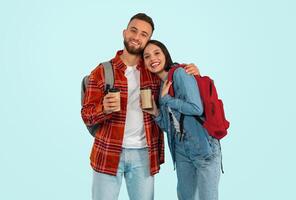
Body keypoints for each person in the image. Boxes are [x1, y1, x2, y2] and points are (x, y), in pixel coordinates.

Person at [81, 13, 199, 200]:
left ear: (148, 40)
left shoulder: (153, 70)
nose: (137, 37)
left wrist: (192, 72)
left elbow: (174, 72)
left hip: (144, 155)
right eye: (133, 30)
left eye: (144, 34)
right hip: (108, 152)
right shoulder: (102, 71)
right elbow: (87, 115)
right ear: (124, 32)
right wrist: (103, 108)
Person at [143, 40, 222, 200]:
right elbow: (168, 126)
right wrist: (155, 111)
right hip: (180, 148)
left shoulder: (180, 73)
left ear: (165, 54)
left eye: (156, 53)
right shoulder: (161, 87)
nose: (152, 59)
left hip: (202, 145)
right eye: (147, 56)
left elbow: (196, 108)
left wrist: (168, 100)